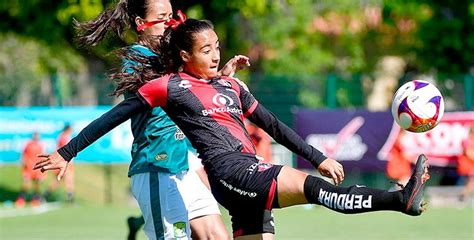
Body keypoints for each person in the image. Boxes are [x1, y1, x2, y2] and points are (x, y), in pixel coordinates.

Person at [35, 17, 431, 239]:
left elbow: (273, 125)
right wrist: (67, 152)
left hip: (246, 178)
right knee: (316, 190)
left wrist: (318, 156)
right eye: (205, 50)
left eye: (218, 47)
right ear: (184, 55)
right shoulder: (168, 86)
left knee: (314, 183)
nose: (214, 55)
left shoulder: (230, 85)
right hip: (232, 173)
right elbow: (113, 117)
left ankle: (398, 199)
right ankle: (398, 200)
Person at [72, 1, 247, 239]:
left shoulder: (168, 58)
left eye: (172, 16)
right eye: (162, 17)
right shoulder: (139, 59)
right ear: (141, 24)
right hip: (157, 166)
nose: (170, 23)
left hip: (182, 165)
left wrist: (218, 78)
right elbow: (176, 90)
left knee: (217, 236)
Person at [44, 124, 75, 202]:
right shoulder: (65, 137)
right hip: (65, 161)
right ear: (68, 129)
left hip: (60, 161)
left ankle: (46, 193)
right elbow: (67, 149)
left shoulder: (61, 136)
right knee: (69, 178)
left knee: (57, 180)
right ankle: (70, 198)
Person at [17, 132, 45, 207]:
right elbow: (23, 155)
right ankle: (21, 199)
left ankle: (35, 199)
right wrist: (24, 162)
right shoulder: (28, 144)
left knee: (37, 185)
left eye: (38, 136)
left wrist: (42, 168)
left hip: (37, 169)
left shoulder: (40, 146)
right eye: (35, 136)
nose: (36, 137)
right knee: (26, 185)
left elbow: (42, 157)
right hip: (28, 169)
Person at [457, 125, 474, 202]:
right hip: (467, 165)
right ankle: (463, 195)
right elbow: (469, 153)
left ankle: (463, 195)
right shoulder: (467, 141)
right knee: (471, 181)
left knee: (470, 181)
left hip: (471, 165)